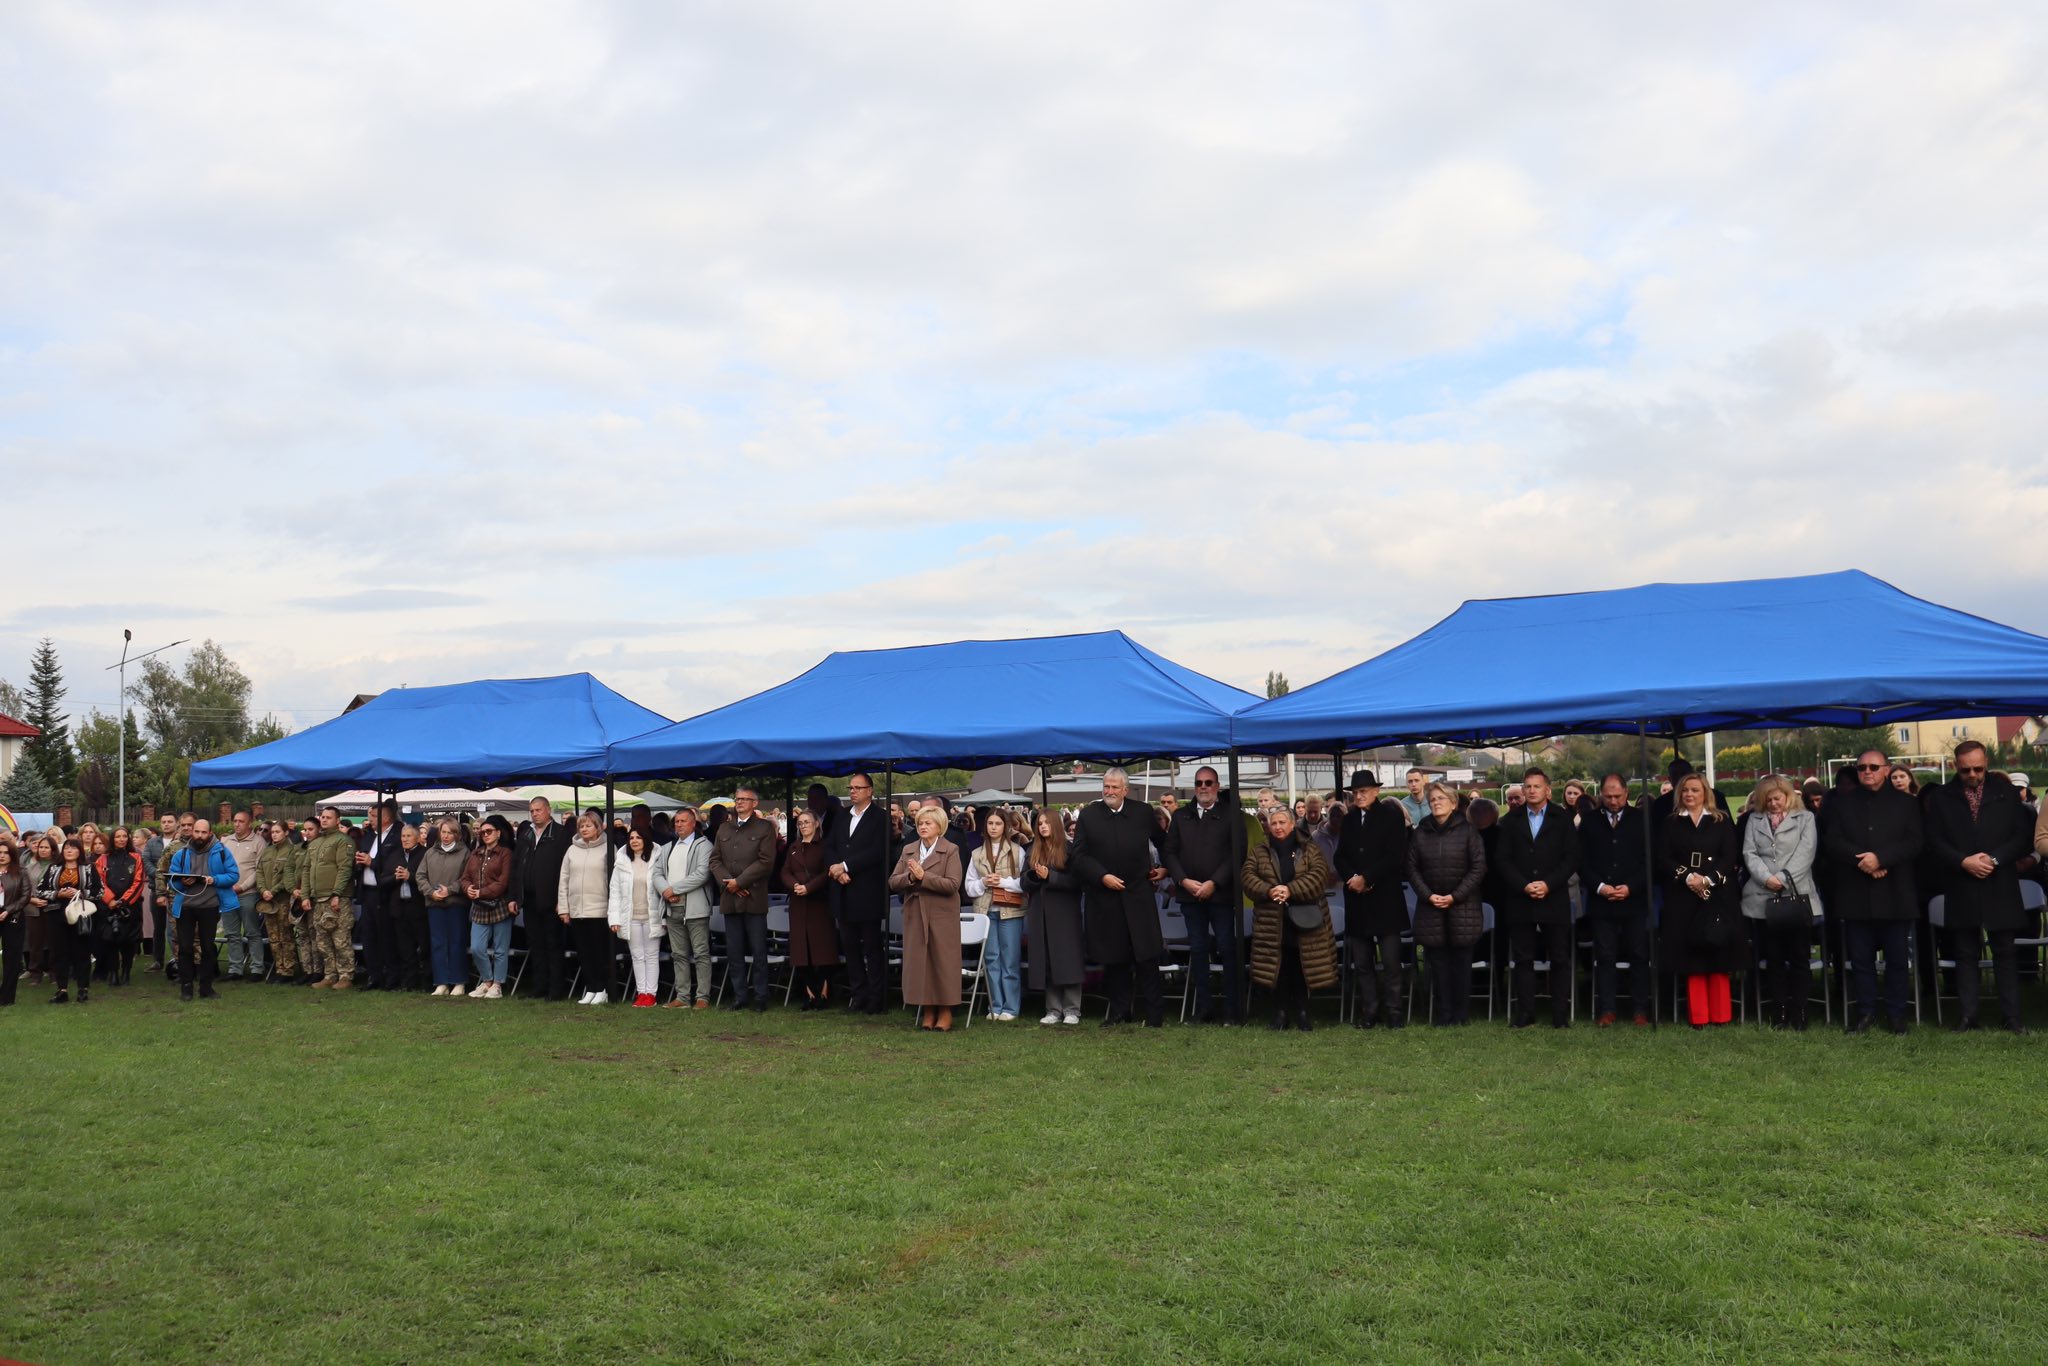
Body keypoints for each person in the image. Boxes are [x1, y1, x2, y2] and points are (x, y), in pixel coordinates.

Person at [1928, 742, 2030, 1033]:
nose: (1972, 775)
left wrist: (1994, 860)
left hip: (2000, 882)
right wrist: (1963, 861)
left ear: (1986, 762)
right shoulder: (1942, 797)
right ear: (1955, 766)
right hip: (1961, 882)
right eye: (1965, 770)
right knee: (1965, 952)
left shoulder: (2006, 793)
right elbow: (1934, 839)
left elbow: (2022, 836)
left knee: (2005, 951)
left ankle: (2011, 1017)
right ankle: (1968, 1016)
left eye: (1978, 768)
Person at [1825, 750, 1924, 1034]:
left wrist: (1881, 859)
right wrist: (1863, 861)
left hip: (1894, 891)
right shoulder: (1842, 804)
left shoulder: (1907, 803)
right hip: (1856, 890)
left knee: (1897, 959)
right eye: (1861, 768)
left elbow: (1915, 842)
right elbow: (1832, 841)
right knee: (1860, 960)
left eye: (1873, 767)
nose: (1867, 771)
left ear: (1886, 769)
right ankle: (1865, 1012)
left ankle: (1897, 1014)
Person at [1071, 768, 1165, 1027]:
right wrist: (1102, 876)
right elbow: (1079, 855)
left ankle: (1155, 1015)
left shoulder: (1143, 812)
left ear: (1125, 789)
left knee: (1147, 956)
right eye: (1106, 786)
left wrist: (1165, 868)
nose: (1109, 791)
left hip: (1138, 894)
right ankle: (1119, 1012)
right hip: (1105, 896)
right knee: (1114, 958)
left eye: (1114, 787)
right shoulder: (1089, 815)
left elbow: (1164, 842)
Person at [1495, 768, 1581, 1029]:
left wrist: (1548, 884)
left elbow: (1571, 858)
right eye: (1528, 786)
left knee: (1559, 958)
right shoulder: (1510, 820)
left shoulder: (1562, 818)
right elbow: (1502, 860)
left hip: (1554, 897)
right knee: (1523, 959)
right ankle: (1526, 1012)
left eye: (1537, 786)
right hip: (1520, 898)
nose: (1532, 790)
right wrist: (1524, 885)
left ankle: (1559, 1014)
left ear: (1548, 790)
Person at [1161, 765, 1246, 1025]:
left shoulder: (1232, 815)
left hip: (1221, 895)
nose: (1203, 787)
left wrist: (1214, 882)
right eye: (1199, 783)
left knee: (1227, 949)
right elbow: (1169, 852)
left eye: (1208, 783)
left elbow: (1237, 853)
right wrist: (1183, 880)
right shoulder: (1181, 816)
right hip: (1189, 895)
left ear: (1217, 786)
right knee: (1197, 950)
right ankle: (1204, 1008)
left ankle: (1232, 1009)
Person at [1658, 773, 1744, 1028]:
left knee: (1718, 954)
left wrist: (1707, 880)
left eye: (1695, 790)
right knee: (1692, 957)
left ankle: (1721, 1015)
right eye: (1685, 790)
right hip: (1683, 897)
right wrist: (1688, 878)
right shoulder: (1671, 823)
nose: (1689, 794)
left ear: (1705, 792)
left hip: (1717, 895)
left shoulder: (1721, 820)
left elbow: (1729, 856)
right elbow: (1663, 857)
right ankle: (1698, 1016)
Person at [1242, 806, 1336, 1031]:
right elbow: (1247, 877)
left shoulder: (1309, 848)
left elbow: (1319, 875)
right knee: (1279, 967)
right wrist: (1269, 891)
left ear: (1292, 824)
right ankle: (1280, 1013)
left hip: (1305, 919)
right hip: (1272, 920)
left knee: (1302, 966)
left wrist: (1290, 890)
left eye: (1282, 822)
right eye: (1273, 823)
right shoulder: (1259, 851)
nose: (1277, 827)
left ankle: (1303, 1012)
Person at [1740, 775, 1822, 1030]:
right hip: (1763, 897)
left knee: (1799, 958)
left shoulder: (1805, 818)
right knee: (1774, 959)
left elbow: (1806, 852)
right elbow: (1749, 853)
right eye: (1768, 800)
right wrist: (1767, 878)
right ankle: (1780, 1011)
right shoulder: (1754, 820)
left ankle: (1800, 1010)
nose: (1773, 804)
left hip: (1796, 895)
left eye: (1777, 798)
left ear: (1788, 796)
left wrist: (1783, 878)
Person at [1333, 770, 1409, 1029]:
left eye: (1363, 791)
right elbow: (1340, 855)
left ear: (1376, 791)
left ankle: (1394, 1012)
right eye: (1355, 793)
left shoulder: (1391, 816)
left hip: (1385, 899)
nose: (1358, 796)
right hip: (1358, 901)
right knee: (1363, 963)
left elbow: (1395, 855)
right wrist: (1352, 877)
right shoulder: (1349, 819)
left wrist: (1367, 877)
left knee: (1390, 962)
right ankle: (1370, 1012)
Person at [1408, 781, 1486, 1026]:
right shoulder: (1421, 832)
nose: (1436, 803)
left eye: (1441, 798)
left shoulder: (1468, 831)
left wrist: (1455, 896)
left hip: (1463, 907)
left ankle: (1461, 1014)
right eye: (1432, 799)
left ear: (1453, 803)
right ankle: (1444, 1013)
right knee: (1438, 963)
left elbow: (1478, 867)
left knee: (1461, 963)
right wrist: (1428, 895)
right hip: (1431, 907)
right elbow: (1412, 868)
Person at [1579, 774, 1653, 1026]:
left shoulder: (1641, 819)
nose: (1612, 801)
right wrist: (1600, 887)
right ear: (1601, 794)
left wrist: (1631, 887)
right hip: (1602, 901)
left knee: (1639, 955)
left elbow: (1649, 860)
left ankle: (1640, 1009)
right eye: (1608, 796)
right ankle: (1607, 1009)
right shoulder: (1590, 821)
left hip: (1634, 900)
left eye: (1617, 796)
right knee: (1605, 956)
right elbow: (1581, 860)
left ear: (1626, 794)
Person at [889, 805, 963, 1031]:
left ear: (940, 826)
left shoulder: (950, 849)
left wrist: (924, 877)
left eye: (928, 823)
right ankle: (928, 1010)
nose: (922, 826)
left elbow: (953, 885)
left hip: (942, 915)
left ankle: (946, 1011)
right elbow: (893, 881)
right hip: (915, 914)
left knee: (943, 963)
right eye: (920, 823)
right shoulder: (909, 849)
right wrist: (911, 878)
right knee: (920, 963)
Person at [826, 773, 890, 1015]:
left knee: (872, 948)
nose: (852, 791)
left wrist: (846, 866)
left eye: (858, 788)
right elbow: (829, 845)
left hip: (867, 892)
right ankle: (858, 994)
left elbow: (878, 850)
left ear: (870, 790)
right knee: (850, 948)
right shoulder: (841, 816)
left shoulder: (880, 817)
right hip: (843, 891)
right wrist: (836, 870)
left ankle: (876, 997)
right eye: (850, 787)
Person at [711, 787, 778, 1012]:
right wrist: (728, 883)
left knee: (758, 951)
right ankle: (740, 997)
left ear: (755, 803)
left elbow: (766, 861)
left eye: (744, 799)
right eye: (737, 799)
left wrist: (740, 882)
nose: (739, 802)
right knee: (734, 952)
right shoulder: (724, 827)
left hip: (753, 897)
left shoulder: (764, 828)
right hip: (730, 898)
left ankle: (760, 997)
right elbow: (715, 860)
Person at [963, 808, 1025, 1021]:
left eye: (998, 823)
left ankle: (1011, 1008)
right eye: (990, 823)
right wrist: (983, 882)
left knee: (1010, 960)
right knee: (991, 959)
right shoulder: (976, 854)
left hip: (1011, 912)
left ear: (1005, 826)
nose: (993, 827)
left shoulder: (1017, 851)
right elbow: (969, 887)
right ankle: (995, 1006)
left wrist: (1003, 882)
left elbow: (1025, 883)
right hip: (986, 912)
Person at [1025, 808, 1086, 1025]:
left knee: (1068, 959)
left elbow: (1077, 882)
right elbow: (1023, 882)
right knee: (1048, 959)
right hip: (1040, 910)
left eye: (1046, 823)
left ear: (1056, 824)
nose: (1042, 826)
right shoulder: (1032, 850)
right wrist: (1035, 876)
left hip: (1065, 912)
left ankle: (1072, 1009)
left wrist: (1050, 876)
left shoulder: (1070, 849)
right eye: (1040, 823)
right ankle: (1053, 1009)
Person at [168, 819, 238, 1003]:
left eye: (203, 832)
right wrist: (182, 882)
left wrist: (214, 880)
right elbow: (172, 880)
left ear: (210, 833)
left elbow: (233, 875)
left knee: (208, 948)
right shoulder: (181, 853)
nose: (199, 835)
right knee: (185, 948)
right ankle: (186, 987)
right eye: (196, 831)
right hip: (186, 907)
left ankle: (206, 987)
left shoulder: (221, 851)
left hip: (210, 906)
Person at [776, 808, 838, 1012]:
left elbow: (827, 872)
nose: (803, 826)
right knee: (801, 950)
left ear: (816, 824)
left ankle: (824, 992)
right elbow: (785, 871)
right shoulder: (793, 847)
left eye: (807, 822)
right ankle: (809, 993)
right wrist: (795, 885)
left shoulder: (825, 846)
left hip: (819, 902)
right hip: (798, 903)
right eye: (800, 823)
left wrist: (809, 887)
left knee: (822, 949)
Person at [652, 804, 714, 1010]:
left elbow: (702, 874)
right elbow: (657, 873)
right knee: (678, 954)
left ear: (693, 823)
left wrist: (674, 889)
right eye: (676, 822)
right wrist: (665, 891)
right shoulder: (667, 847)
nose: (679, 825)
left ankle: (703, 997)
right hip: (672, 907)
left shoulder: (704, 846)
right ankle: (682, 996)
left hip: (695, 907)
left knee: (701, 953)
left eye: (683, 821)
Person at [512, 796, 572, 1001]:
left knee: (553, 944)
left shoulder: (560, 834)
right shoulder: (526, 834)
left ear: (548, 810)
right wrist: (515, 896)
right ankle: (539, 986)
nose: (535, 814)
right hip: (529, 900)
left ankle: (556, 989)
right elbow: (516, 867)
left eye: (538, 810)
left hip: (551, 900)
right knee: (535, 944)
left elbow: (565, 870)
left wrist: (562, 900)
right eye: (532, 811)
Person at [36, 838, 103, 1003]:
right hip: (56, 915)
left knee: (82, 952)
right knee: (59, 952)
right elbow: (40, 890)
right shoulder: (53, 868)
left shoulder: (89, 868)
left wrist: (80, 893)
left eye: (73, 848)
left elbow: (99, 891)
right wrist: (57, 894)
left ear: (80, 851)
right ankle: (62, 990)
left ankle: (83, 989)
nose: (69, 851)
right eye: (66, 848)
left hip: (80, 915)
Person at [558, 812, 614, 1005]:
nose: (584, 829)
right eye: (581, 826)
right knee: (584, 952)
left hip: (600, 909)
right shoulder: (572, 850)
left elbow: (615, 880)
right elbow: (564, 879)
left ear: (598, 827)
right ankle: (591, 988)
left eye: (588, 826)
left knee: (599, 952)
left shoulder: (608, 848)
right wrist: (564, 908)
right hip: (577, 909)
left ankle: (602, 989)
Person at [302, 806, 357, 991]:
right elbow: (307, 870)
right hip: (318, 898)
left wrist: (337, 893)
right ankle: (330, 975)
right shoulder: (315, 843)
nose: (324, 820)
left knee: (340, 939)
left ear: (337, 820)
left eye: (328, 817)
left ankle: (346, 975)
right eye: (322, 817)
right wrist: (305, 895)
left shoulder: (343, 840)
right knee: (323, 941)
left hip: (337, 898)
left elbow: (345, 868)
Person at [418, 819, 473, 997]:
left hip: (456, 904)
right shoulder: (430, 853)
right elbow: (420, 876)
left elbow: (466, 877)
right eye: (443, 832)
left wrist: (449, 890)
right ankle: (441, 982)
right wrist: (431, 892)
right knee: (437, 944)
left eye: (450, 832)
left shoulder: (465, 852)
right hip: (434, 904)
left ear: (457, 834)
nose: (446, 836)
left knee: (457, 943)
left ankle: (459, 982)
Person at [354, 801, 404, 991]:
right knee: (369, 937)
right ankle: (373, 976)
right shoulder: (369, 836)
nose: (370, 820)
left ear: (386, 817)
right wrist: (359, 862)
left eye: (374, 816)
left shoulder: (396, 836)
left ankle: (392, 977)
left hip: (385, 894)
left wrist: (372, 862)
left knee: (387, 937)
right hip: (367, 892)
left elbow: (393, 865)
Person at [462, 817, 515, 1000]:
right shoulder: (475, 853)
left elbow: (503, 882)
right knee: (477, 947)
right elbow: (464, 878)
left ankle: (497, 985)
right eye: (482, 832)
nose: (485, 834)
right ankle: (487, 981)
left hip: (500, 905)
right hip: (479, 907)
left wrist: (481, 892)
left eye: (489, 831)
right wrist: (467, 888)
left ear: (498, 833)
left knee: (500, 949)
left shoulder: (505, 853)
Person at [609, 827, 661, 1007]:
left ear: (646, 839)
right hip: (631, 917)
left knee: (651, 955)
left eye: (638, 837)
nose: (634, 841)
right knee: (637, 956)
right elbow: (615, 892)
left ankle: (651, 994)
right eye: (631, 838)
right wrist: (614, 918)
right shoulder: (622, 862)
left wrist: (664, 918)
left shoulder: (657, 860)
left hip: (652, 916)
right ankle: (642, 993)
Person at [94, 826, 147, 987]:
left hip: (130, 906)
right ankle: (113, 973)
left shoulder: (136, 858)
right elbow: (99, 882)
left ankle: (126, 972)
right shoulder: (102, 859)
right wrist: (110, 900)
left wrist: (123, 901)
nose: (121, 839)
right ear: (112, 839)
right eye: (118, 836)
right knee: (110, 941)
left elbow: (138, 882)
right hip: (108, 907)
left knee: (128, 941)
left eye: (124, 836)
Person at [218, 809, 266, 981]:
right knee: (231, 933)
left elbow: (259, 870)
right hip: (227, 894)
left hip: (248, 894)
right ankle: (235, 969)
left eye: (241, 821)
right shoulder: (226, 841)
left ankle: (256, 969)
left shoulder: (258, 842)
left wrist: (242, 887)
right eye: (235, 821)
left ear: (249, 823)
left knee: (252, 932)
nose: (237, 824)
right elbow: (219, 865)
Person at [251, 821, 301, 985]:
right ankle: (279, 968)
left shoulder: (292, 850)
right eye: (272, 832)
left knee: (285, 935)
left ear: (286, 832)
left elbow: (290, 875)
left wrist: (273, 890)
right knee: (273, 936)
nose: (274, 835)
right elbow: (259, 872)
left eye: (277, 831)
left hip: (283, 899)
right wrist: (263, 890)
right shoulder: (268, 850)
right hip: (267, 900)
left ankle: (288, 970)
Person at [389, 819, 430, 991]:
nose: (405, 839)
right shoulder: (395, 854)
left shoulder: (425, 854)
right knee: (405, 948)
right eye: (403, 836)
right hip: (400, 907)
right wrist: (394, 877)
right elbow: (383, 877)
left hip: (419, 907)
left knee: (425, 946)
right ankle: (409, 982)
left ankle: (428, 982)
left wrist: (410, 876)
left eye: (408, 836)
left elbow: (429, 879)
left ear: (418, 838)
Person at [142, 813, 176, 972]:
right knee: (158, 927)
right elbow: (146, 861)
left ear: (176, 823)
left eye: (170, 821)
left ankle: (177, 960)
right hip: (156, 889)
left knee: (175, 928)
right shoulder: (152, 842)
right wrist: (160, 875)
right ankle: (157, 961)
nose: (166, 824)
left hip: (177, 889)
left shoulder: (181, 842)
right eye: (164, 821)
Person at [23, 833, 55, 987]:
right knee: (35, 943)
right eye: (41, 847)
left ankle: (54, 972)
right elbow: (23, 888)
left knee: (54, 941)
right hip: (33, 908)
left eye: (46, 847)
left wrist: (51, 898)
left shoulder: (58, 866)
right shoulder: (29, 867)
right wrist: (32, 899)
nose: (42, 850)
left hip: (53, 907)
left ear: (52, 850)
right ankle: (36, 973)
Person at [0, 843, 27, 1006]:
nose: (2, 855)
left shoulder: (20, 872)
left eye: (6, 853)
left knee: (11, 958)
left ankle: (7, 996)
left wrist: (8, 910)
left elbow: (25, 896)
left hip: (13, 916)